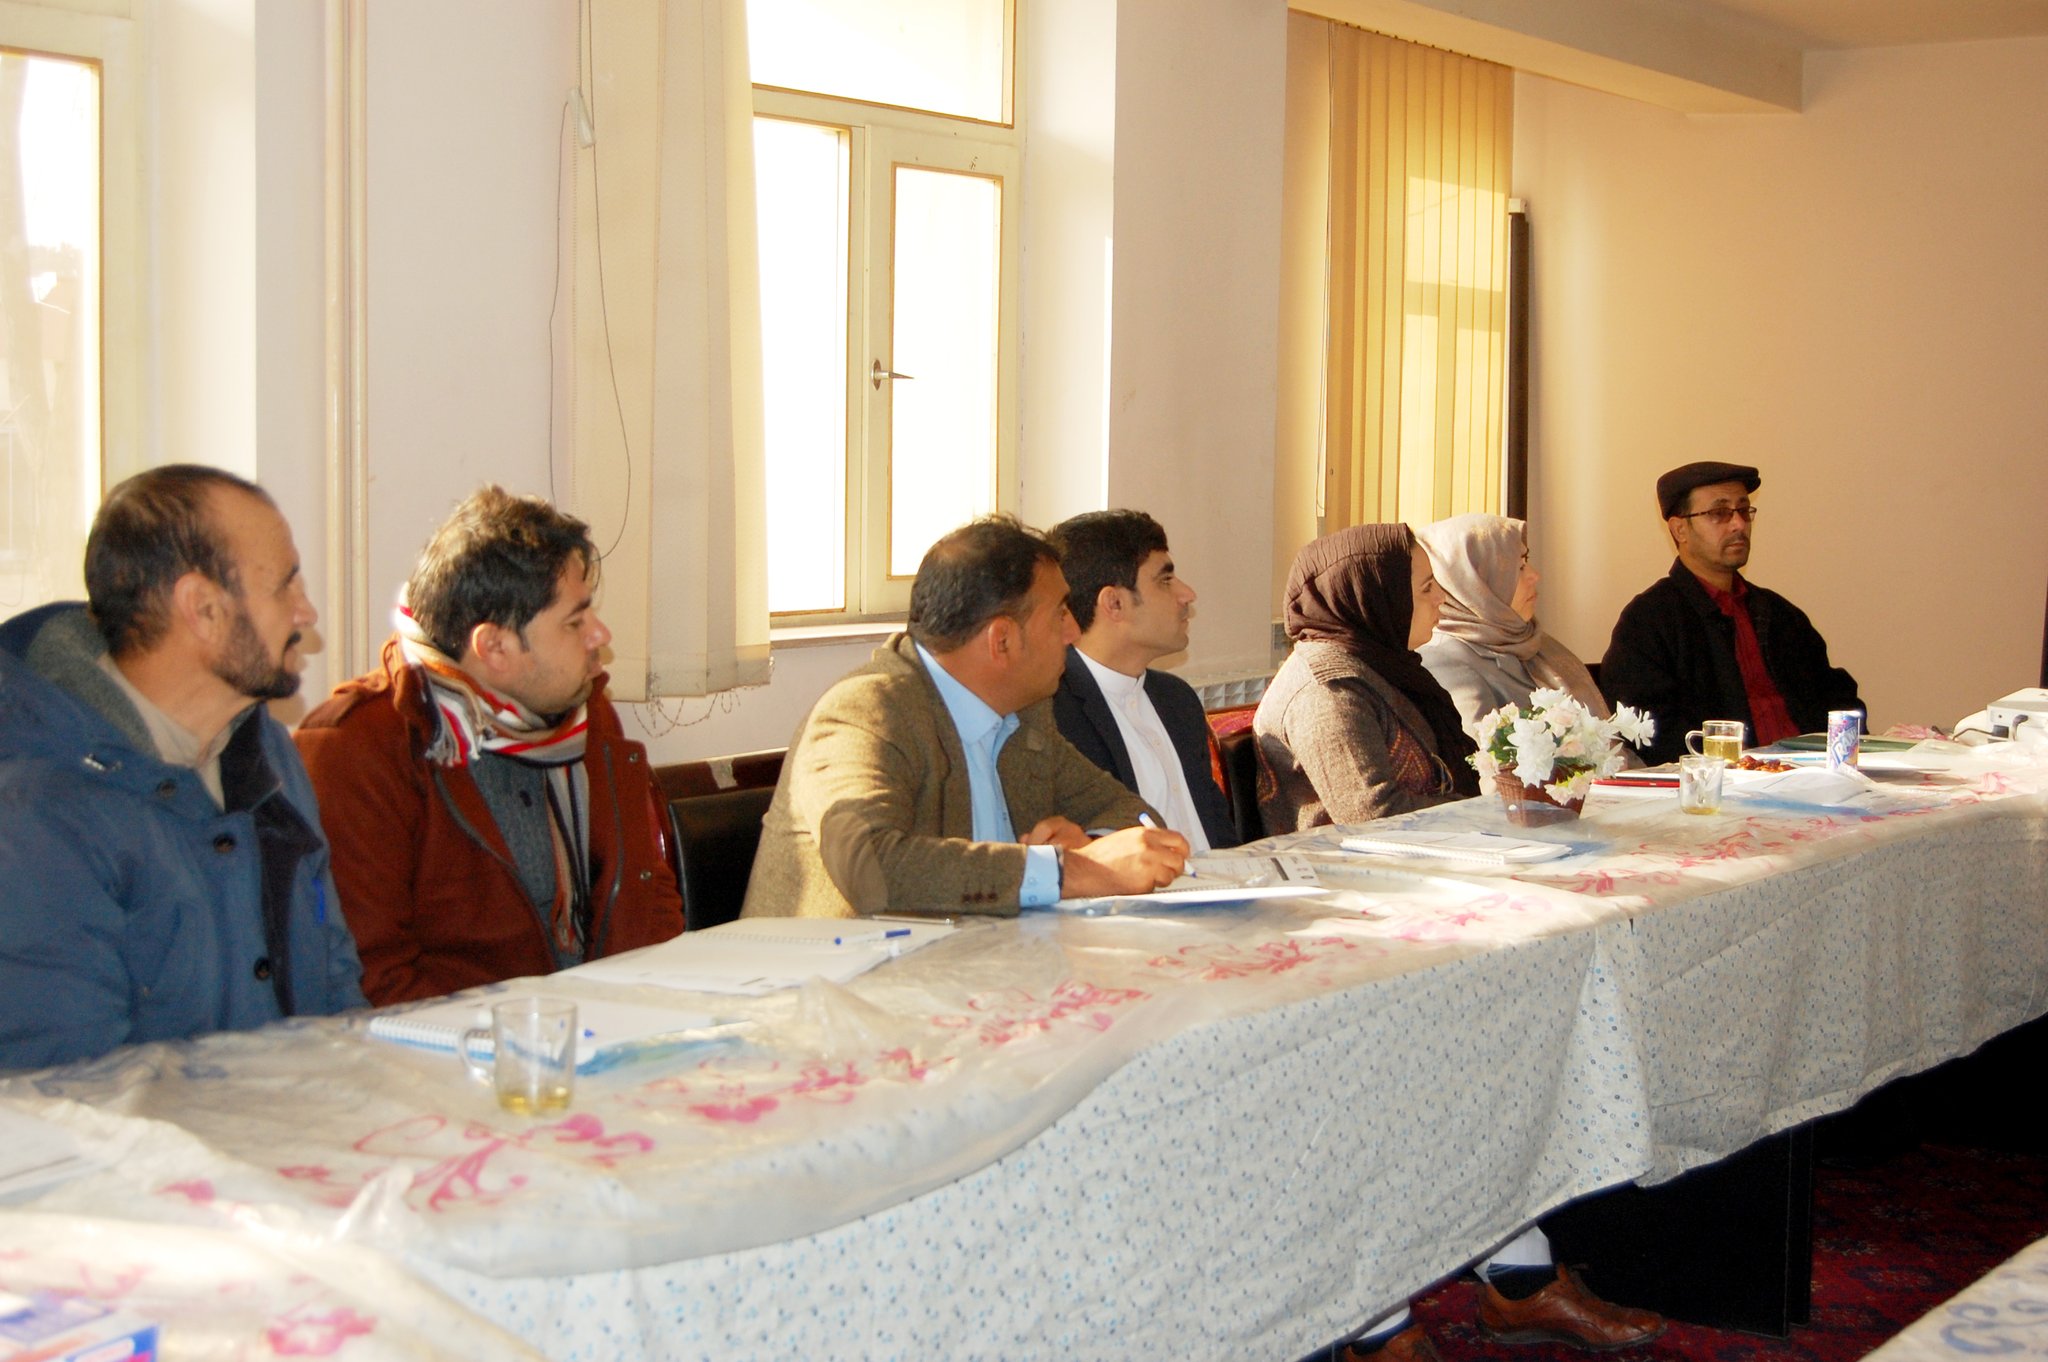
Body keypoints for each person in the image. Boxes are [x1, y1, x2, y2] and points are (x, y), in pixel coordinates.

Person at [0, 465, 365, 1071]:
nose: (306, 613)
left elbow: (335, 982)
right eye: (285, 586)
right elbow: (75, 1088)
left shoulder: (267, 753)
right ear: (202, 608)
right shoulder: (36, 811)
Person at [295, 487, 682, 1005]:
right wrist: (529, 1033)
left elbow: (647, 897)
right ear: (494, 647)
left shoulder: (586, 713)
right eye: (575, 622)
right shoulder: (356, 752)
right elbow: (373, 981)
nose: (600, 635)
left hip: (600, 1026)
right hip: (462, 1045)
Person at [742, 516, 1189, 919]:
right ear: (1002, 641)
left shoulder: (1026, 713)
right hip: (839, 977)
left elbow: (1134, 813)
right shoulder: (865, 713)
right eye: (1060, 614)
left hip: (980, 965)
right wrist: (1065, 870)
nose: (1073, 632)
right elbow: (872, 866)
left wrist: (1090, 843)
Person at [1601, 461, 1862, 766]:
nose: (1738, 524)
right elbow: (1649, 730)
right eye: (1719, 513)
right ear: (1680, 529)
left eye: (1744, 510)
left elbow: (1837, 698)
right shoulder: (1649, 621)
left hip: (1814, 775)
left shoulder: (1780, 614)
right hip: (1726, 783)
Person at [1254, 524, 1480, 832]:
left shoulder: (1383, 663)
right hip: (1353, 859)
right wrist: (1481, 812)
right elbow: (1373, 817)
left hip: (1431, 847)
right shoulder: (1326, 693)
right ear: (1375, 597)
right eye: (1427, 588)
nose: (1441, 597)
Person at [1046, 510, 1238, 852]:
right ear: (1115, 603)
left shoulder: (1177, 699)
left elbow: (1221, 837)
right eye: (1165, 580)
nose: (1187, 594)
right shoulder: (1053, 713)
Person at [1415, 513, 1612, 725]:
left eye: (1526, 561)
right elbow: (1478, 744)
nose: (1534, 575)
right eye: (1518, 567)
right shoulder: (1445, 661)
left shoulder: (1530, 639)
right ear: (1473, 582)